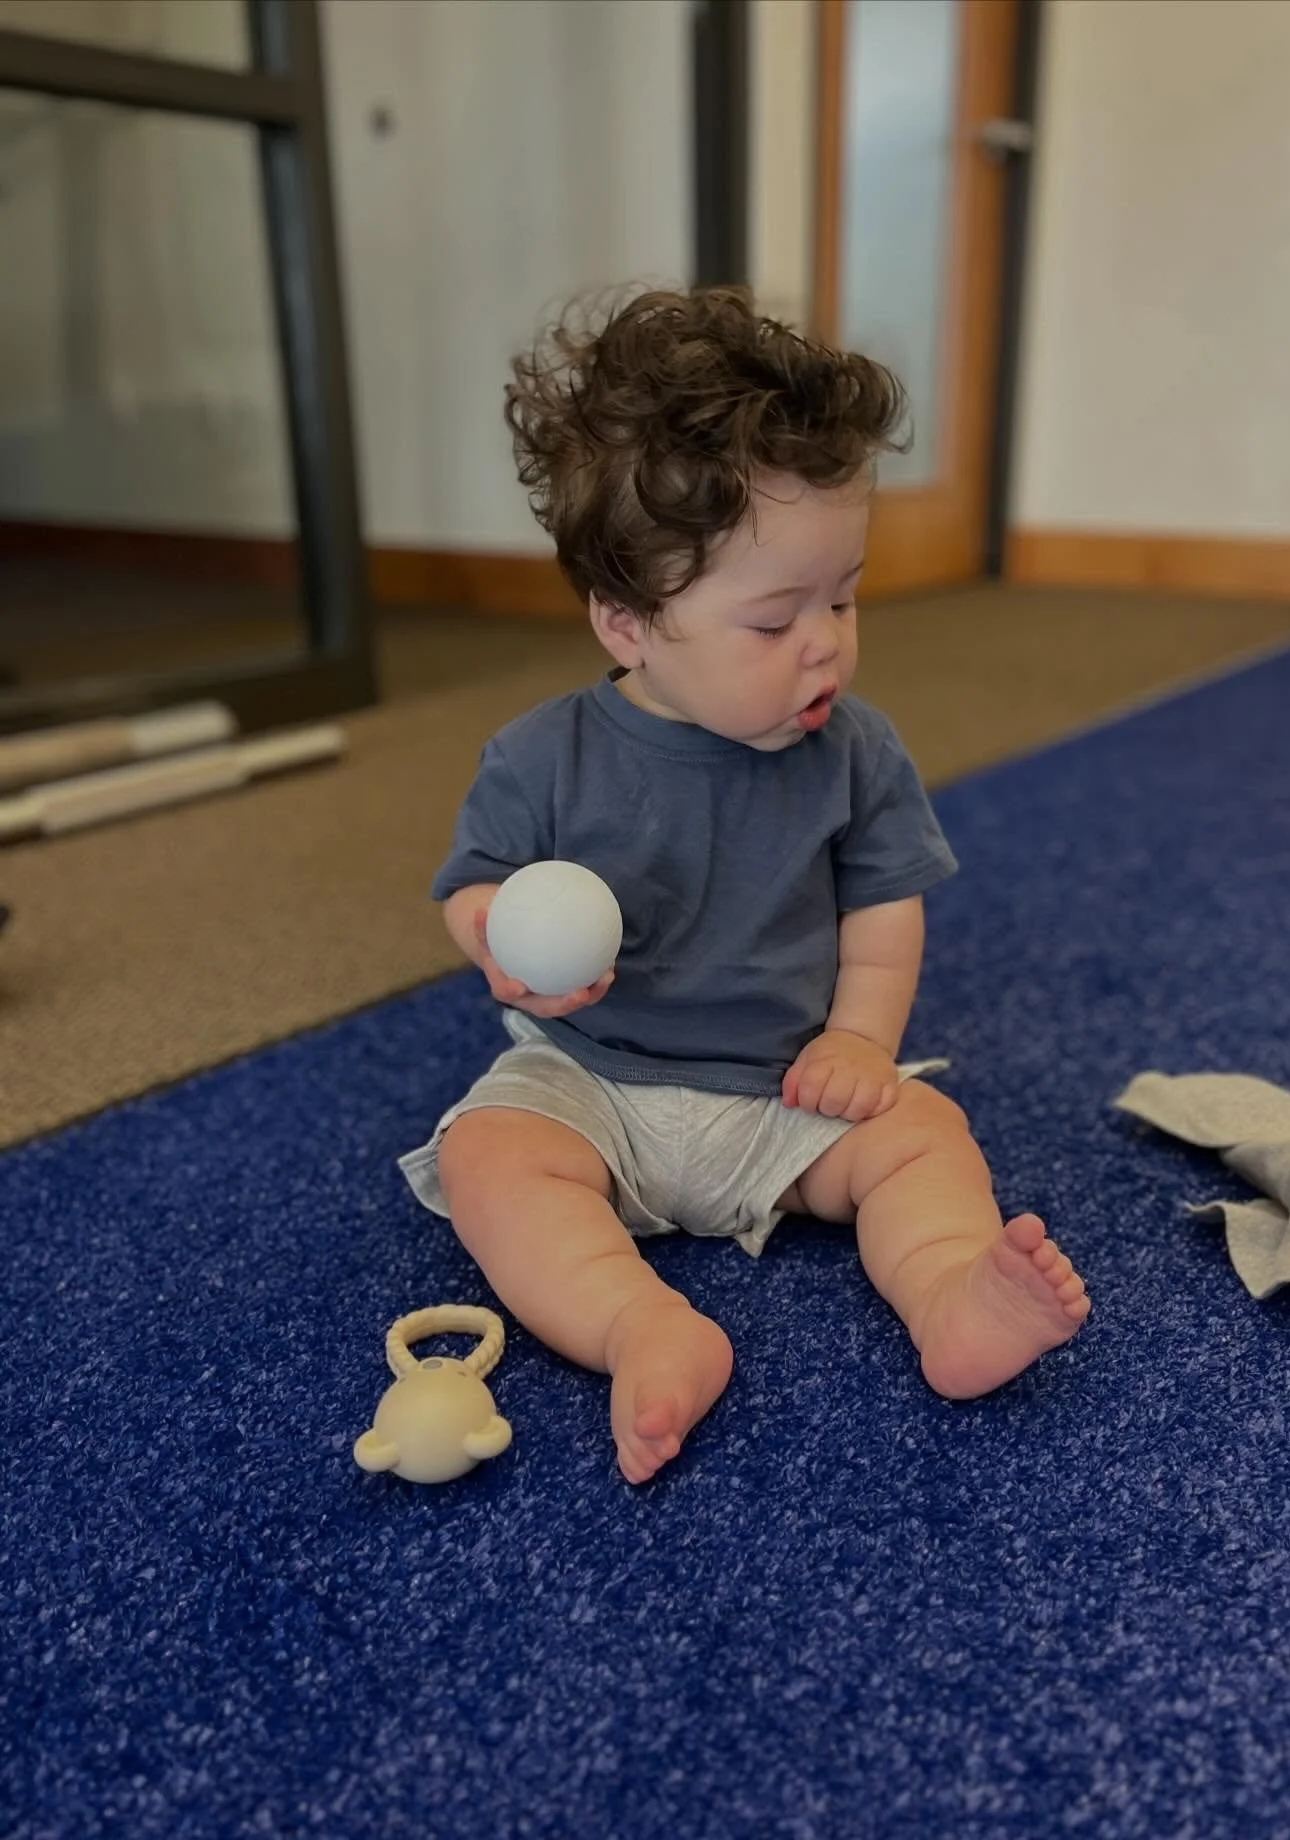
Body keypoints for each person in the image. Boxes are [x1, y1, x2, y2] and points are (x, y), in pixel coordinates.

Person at [400, 287, 1089, 1484]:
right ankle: (639, 1322)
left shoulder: (856, 752)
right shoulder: (539, 756)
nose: (826, 639)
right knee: (491, 1160)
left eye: (845, 595)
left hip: (782, 1091)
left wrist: (863, 1044)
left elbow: (883, 916)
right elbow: (478, 889)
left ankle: (949, 1297)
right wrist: (495, 944)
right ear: (626, 622)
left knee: (923, 1135)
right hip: (593, 1080)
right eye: (776, 619)